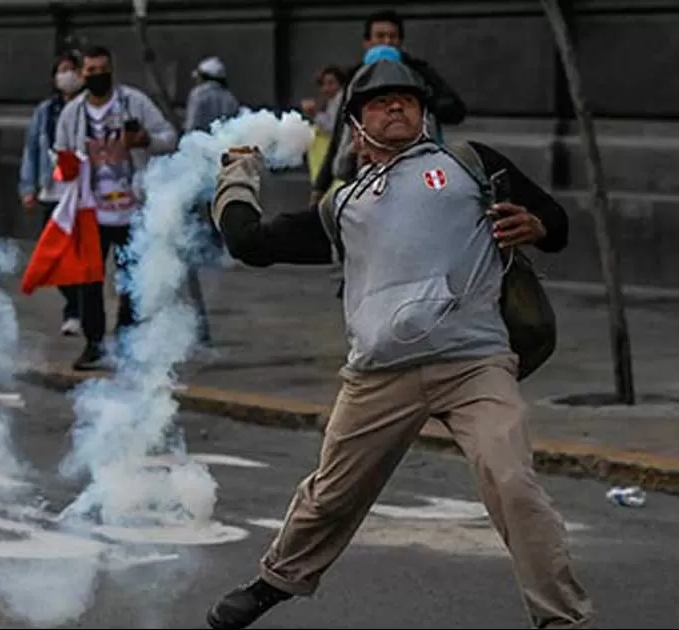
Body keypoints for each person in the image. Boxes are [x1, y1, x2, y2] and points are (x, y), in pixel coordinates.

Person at [204, 60, 591, 630]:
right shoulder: (344, 205)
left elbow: (556, 223)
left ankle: (563, 620)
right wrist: (237, 176)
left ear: (423, 112)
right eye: (381, 102)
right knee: (330, 496)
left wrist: (534, 224)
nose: (396, 107)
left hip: (474, 363)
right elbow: (251, 245)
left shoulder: (469, 163)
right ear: (356, 127)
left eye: (407, 100)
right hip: (379, 375)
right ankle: (275, 581)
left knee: (513, 483)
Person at [52, 44, 177, 370]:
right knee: (89, 280)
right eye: (90, 71)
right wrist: (66, 171)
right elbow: (60, 152)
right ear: (82, 75)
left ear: (112, 69)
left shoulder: (134, 102)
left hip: (132, 207)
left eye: (102, 69)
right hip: (90, 210)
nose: (97, 76)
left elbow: (170, 137)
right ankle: (94, 343)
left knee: (131, 278)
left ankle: (127, 340)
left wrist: (145, 140)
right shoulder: (72, 113)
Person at [311, 9, 466, 203]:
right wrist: (320, 186)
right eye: (380, 36)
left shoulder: (418, 73)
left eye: (392, 37)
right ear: (367, 43)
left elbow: (455, 110)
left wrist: (424, 102)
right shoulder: (356, 78)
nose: (386, 42)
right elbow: (340, 132)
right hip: (366, 173)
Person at [19, 51, 84, 337]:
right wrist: (28, 187)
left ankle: (78, 312)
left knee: (80, 256)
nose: (67, 75)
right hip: (51, 191)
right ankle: (73, 303)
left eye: (72, 69)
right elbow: (32, 148)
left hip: (80, 194)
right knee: (55, 257)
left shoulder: (87, 108)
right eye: (62, 70)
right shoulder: (46, 111)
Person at [182, 55, 240, 346]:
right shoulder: (229, 98)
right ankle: (222, 244)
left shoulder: (198, 95)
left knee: (199, 209)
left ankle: (205, 245)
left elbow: (192, 129)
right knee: (221, 203)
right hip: (224, 160)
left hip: (202, 159)